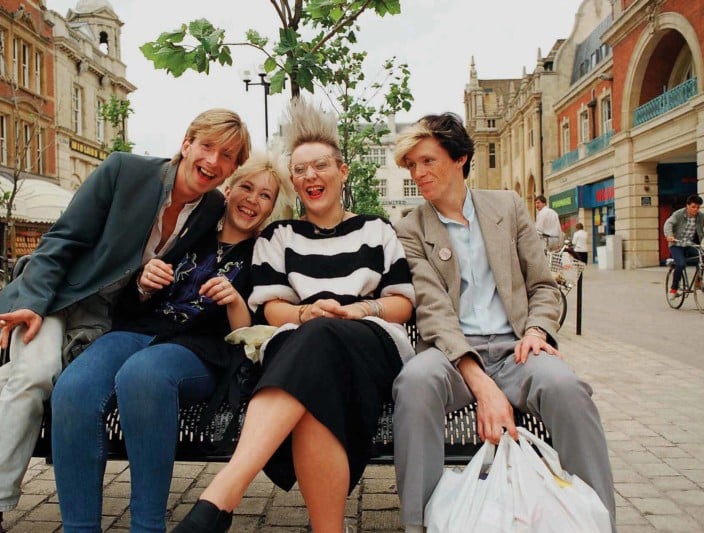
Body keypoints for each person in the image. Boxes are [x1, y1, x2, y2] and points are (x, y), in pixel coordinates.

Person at [0, 108, 251, 533]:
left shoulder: (211, 207)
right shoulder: (125, 171)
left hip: (103, 323)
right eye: (207, 146)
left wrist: (144, 285)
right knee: (36, 376)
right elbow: (63, 239)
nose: (213, 161)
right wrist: (33, 300)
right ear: (186, 142)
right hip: (57, 302)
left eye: (227, 156)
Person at [173, 99, 416, 533]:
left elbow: (402, 302)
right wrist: (306, 313)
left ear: (341, 171)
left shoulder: (376, 229)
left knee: (319, 341)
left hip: (369, 341)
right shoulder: (279, 236)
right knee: (313, 379)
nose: (309, 176)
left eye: (320, 165)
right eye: (299, 170)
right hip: (302, 343)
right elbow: (272, 307)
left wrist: (360, 308)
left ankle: (222, 494)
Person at [391, 113, 616, 533]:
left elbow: (544, 286)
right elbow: (433, 311)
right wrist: (482, 384)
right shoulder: (410, 229)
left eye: (426, 161)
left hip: (517, 348)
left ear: (459, 158)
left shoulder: (507, 207)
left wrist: (535, 331)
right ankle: (418, 524)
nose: (417, 174)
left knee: (568, 389)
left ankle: (597, 521)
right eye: (411, 166)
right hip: (452, 356)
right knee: (414, 384)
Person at [51, 154, 293, 533]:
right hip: (140, 329)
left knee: (143, 375)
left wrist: (233, 300)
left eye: (265, 195)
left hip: (201, 349)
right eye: (246, 187)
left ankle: (147, 527)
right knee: (72, 390)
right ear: (227, 191)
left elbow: (247, 332)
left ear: (271, 207)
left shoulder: (264, 252)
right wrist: (145, 283)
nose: (252, 199)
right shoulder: (192, 230)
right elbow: (132, 300)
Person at [664, 194, 704, 298]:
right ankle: (674, 288)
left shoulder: (700, 216)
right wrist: (669, 235)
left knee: (702, 259)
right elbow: (668, 224)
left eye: (698, 207)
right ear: (687, 205)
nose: (696, 209)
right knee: (681, 264)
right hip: (676, 244)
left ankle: (698, 282)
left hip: (689, 244)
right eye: (693, 207)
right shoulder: (678, 214)